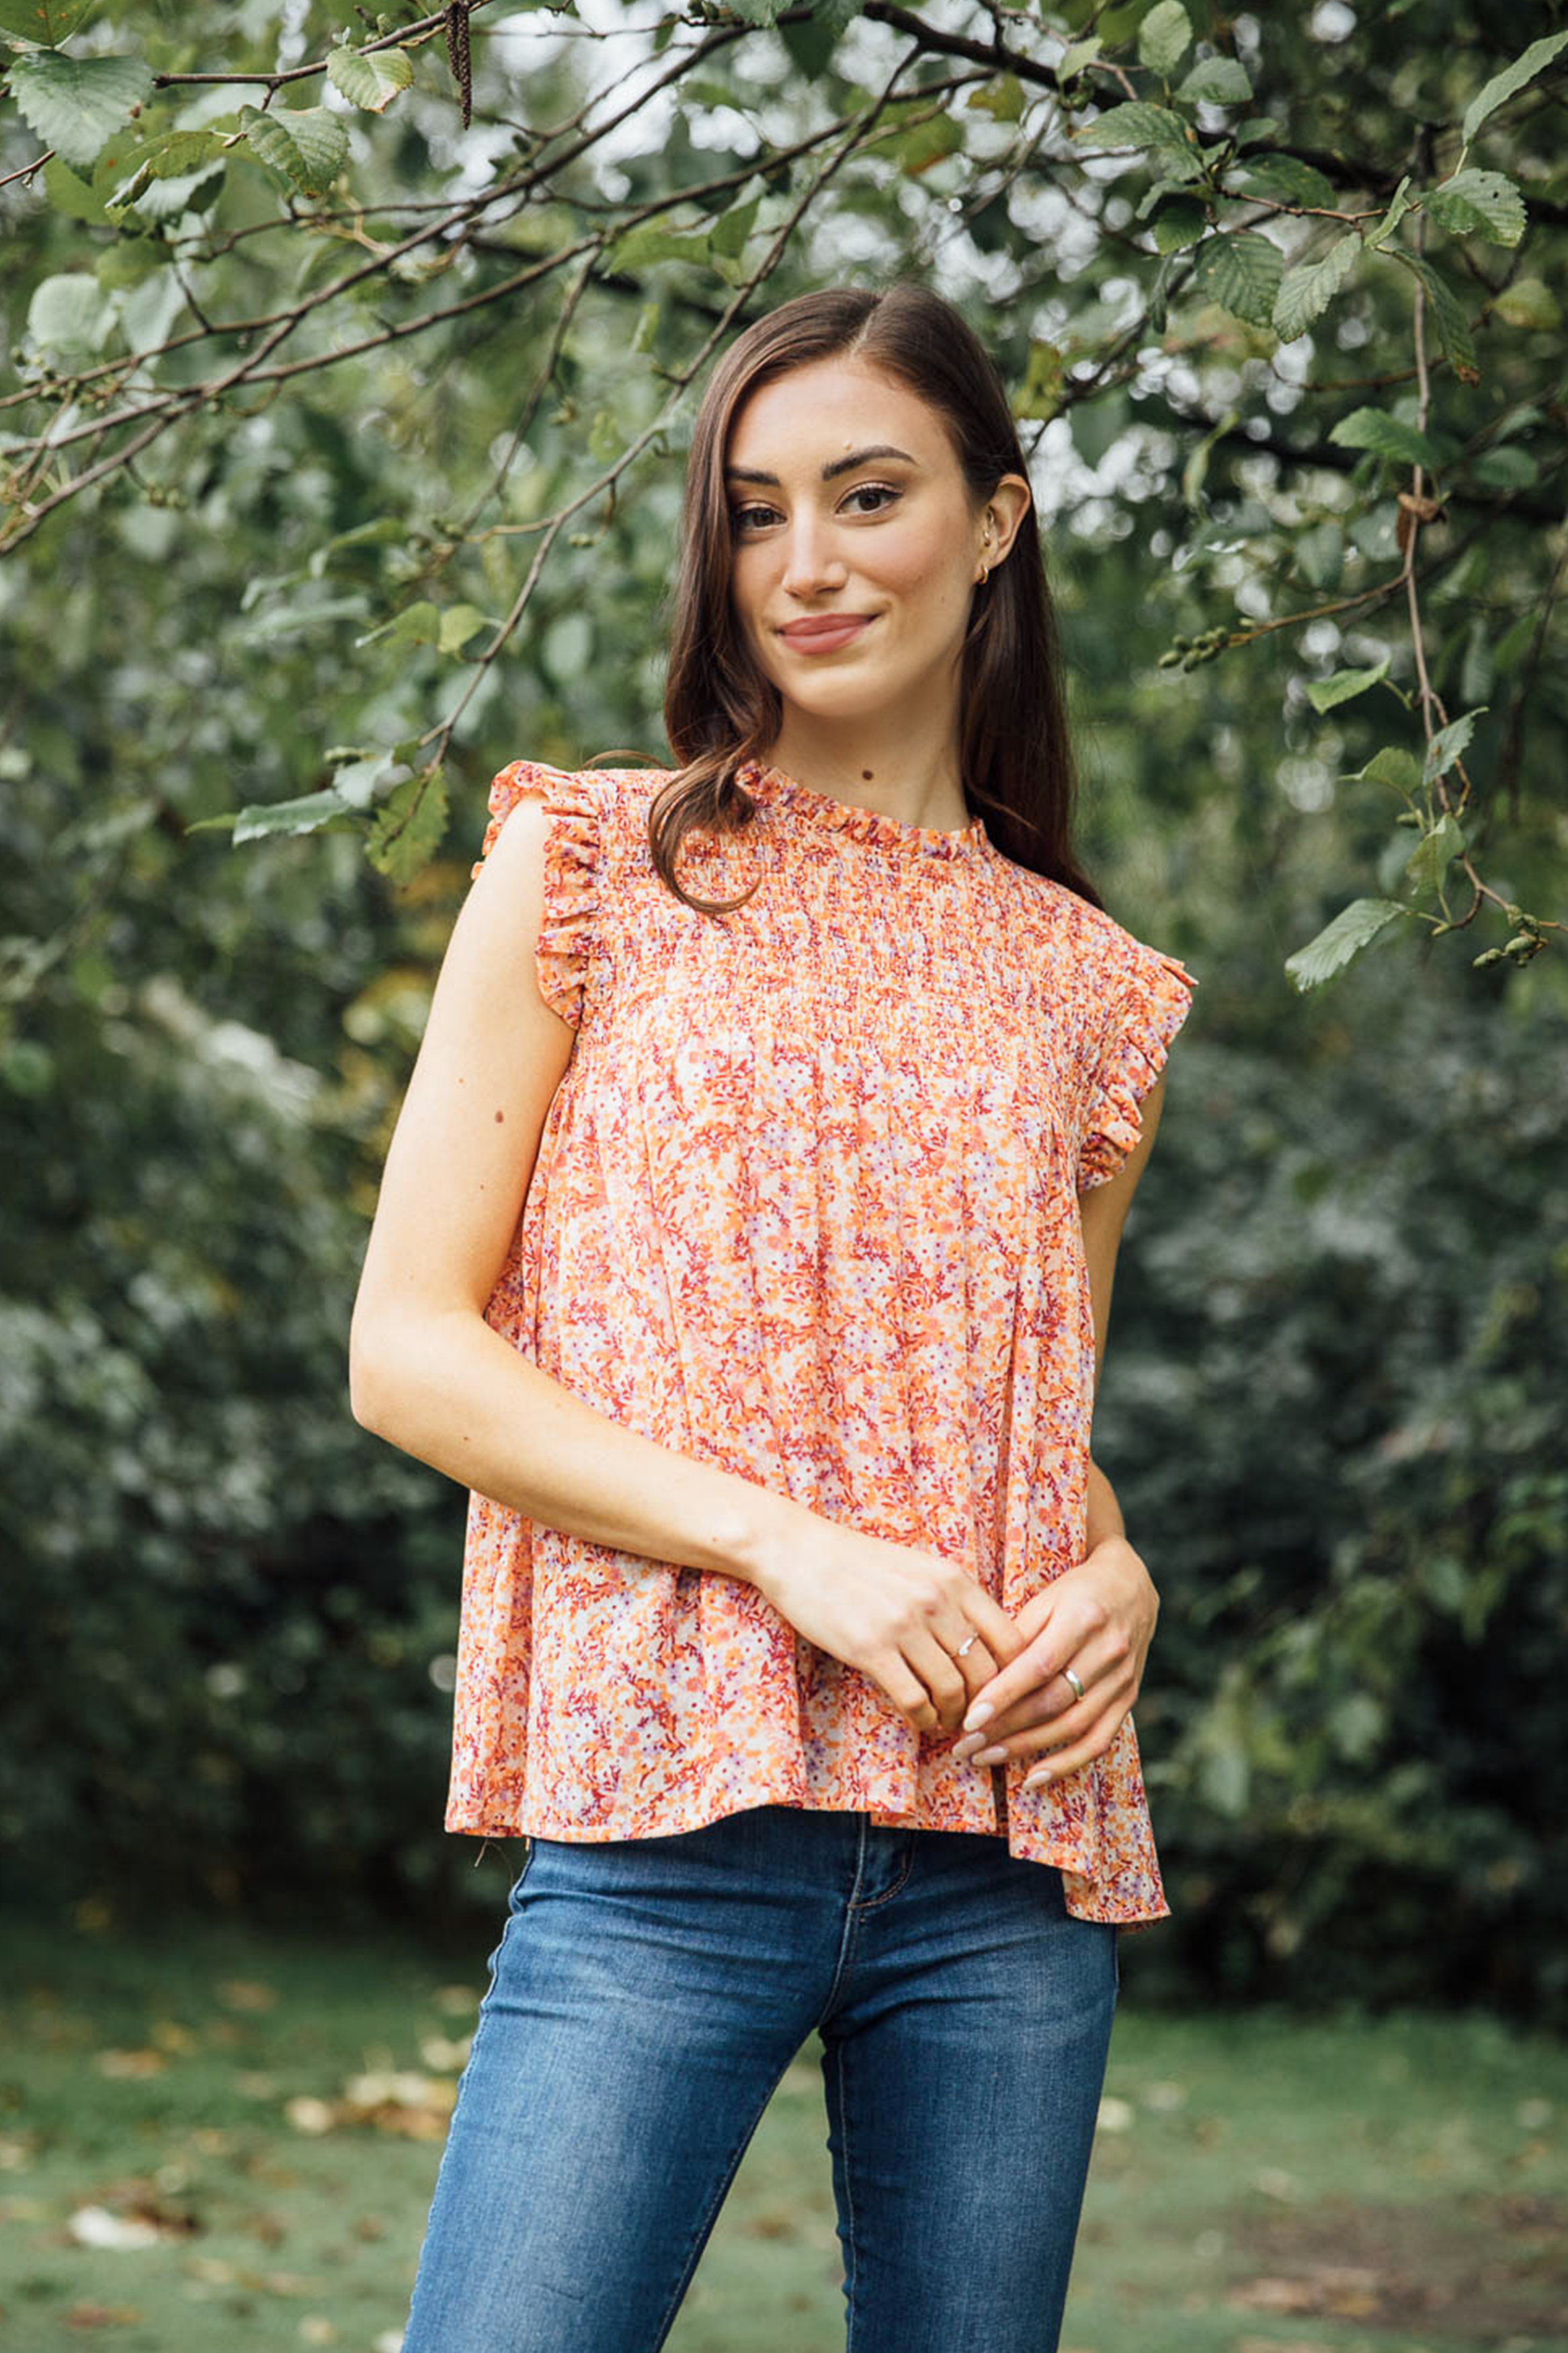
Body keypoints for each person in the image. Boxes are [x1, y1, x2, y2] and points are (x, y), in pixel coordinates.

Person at [349, 279, 1194, 2353]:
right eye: (750, 512)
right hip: (664, 1824)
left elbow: (1029, 1411)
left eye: (865, 494)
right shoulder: (587, 865)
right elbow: (409, 1347)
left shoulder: (1092, 986)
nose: (803, 566)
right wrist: (782, 1542)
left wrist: (1119, 1572)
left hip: (1005, 1856)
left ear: (994, 520)